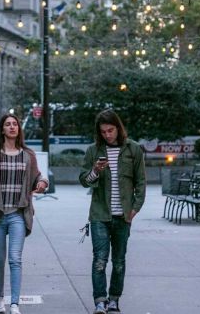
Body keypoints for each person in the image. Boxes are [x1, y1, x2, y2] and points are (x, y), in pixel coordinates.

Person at [0, 114, 48, 314]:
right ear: (2, 130)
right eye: (8, 124)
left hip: (18, 213)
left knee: (15, 259)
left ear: (19, 129)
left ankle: (14, 303)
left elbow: (38, 177)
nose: (12, 127)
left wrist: (42, 183)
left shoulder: (28, 154)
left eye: (15, 124)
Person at [79, 109, 146, 314]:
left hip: (123, 215)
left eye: (110, 130)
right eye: (103, 132)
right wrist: (95, 171)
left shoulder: (133, 149)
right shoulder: (93, 150)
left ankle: (114, 300)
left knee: (118, 261)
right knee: (100, 259)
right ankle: (100, 301)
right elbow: (83, 180)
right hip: (100, 214)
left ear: (118, 128)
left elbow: (141, 182)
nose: (107, 135)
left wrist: (134, 209)